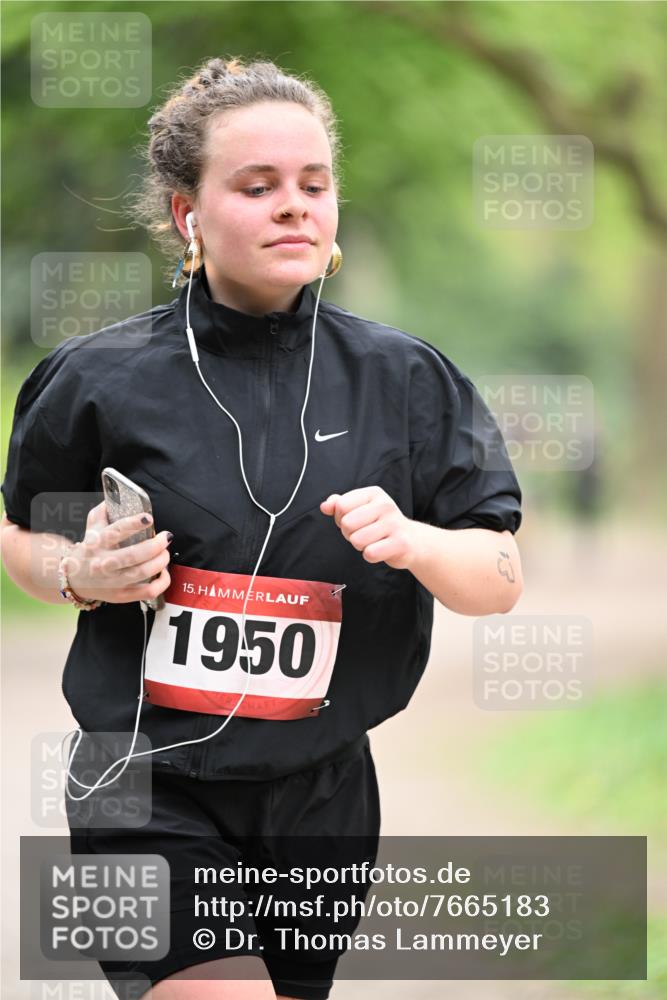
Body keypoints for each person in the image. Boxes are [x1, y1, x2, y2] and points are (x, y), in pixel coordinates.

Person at [1, 57, 523, 1000]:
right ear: (185, 216)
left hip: (323, 793)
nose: (294, 206)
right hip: (135, 783)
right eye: (257, 186)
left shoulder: (408, 381)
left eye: (313, 185)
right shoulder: (94, 378)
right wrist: (80, 572)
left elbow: (497, 574)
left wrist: (415, 541)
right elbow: (21, 542)